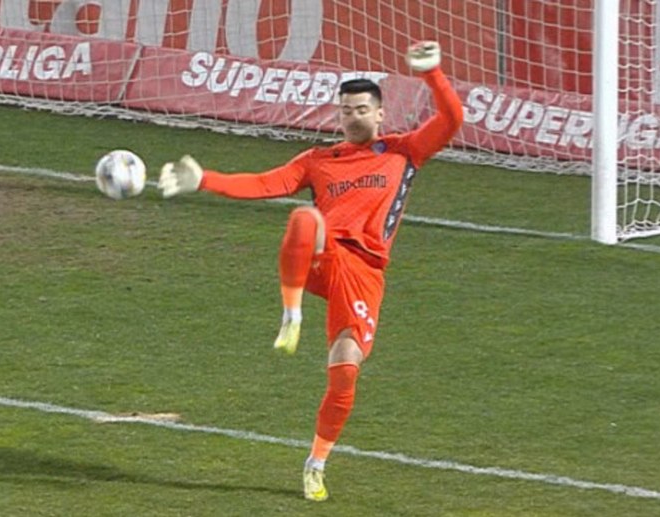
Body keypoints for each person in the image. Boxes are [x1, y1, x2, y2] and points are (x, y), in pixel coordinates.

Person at [157, 41, 463, 502]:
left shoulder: (405, 152)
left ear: (380, 114)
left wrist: (433, 73)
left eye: (361, 110)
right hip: (321, 257)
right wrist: (204, 179)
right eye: (345, 110)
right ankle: (292, 315)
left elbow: (452, 120)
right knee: (305, 218)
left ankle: (315, 464)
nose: (353, 117)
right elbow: (266, 183)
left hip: (363, 272)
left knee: (345, 372)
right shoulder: (319, 160)